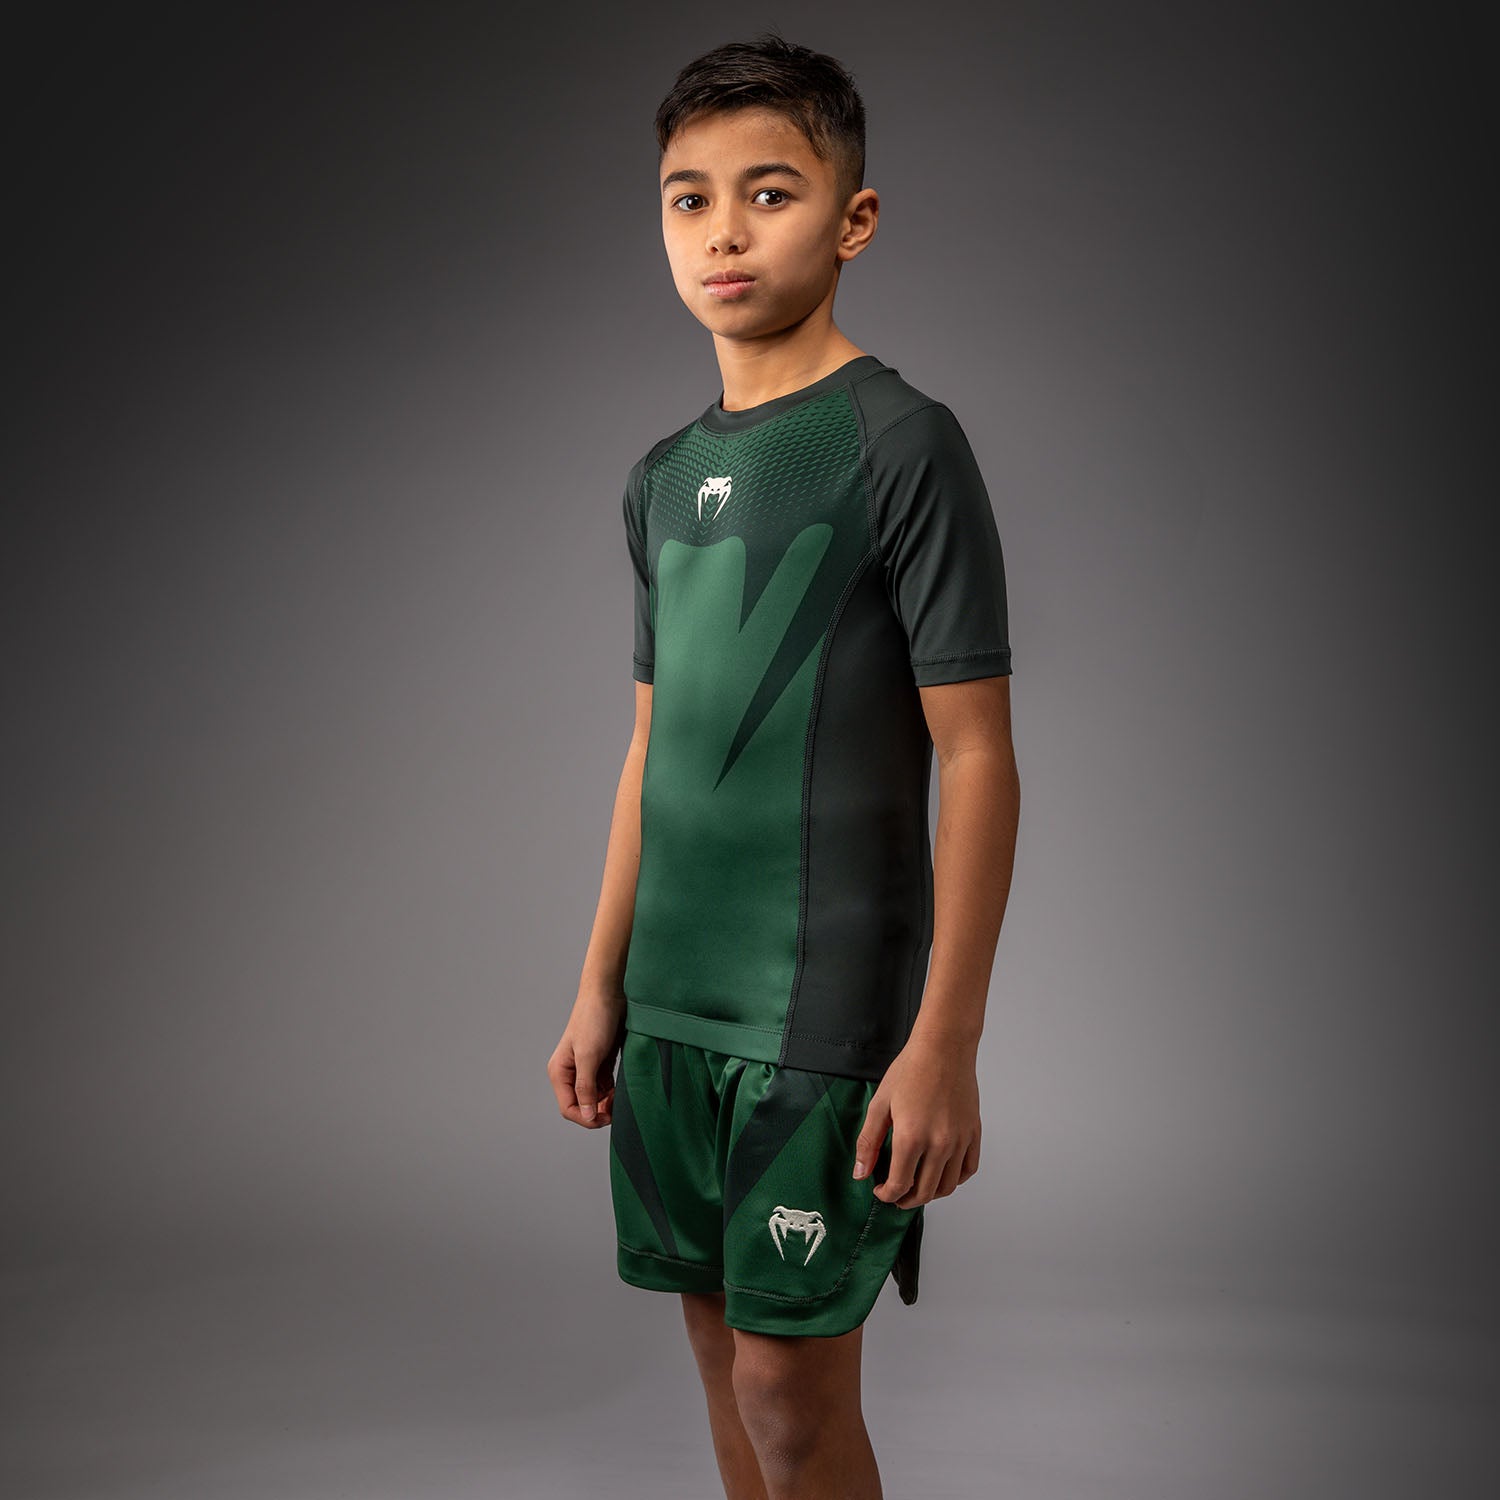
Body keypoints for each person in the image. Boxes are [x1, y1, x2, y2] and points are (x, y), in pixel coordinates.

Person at [547, 30, 1021, 1500]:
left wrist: (946, 1042)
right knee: (719, 1361)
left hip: (822, 1011)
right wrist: (600, 983)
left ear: (853, 220)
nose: (725, 233)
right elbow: (650, 748)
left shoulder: (902, 445)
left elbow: (980, 757)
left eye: (769, 193)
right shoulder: (656, 478)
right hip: (671, 1004)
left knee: (787, 1390)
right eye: (690, 200)